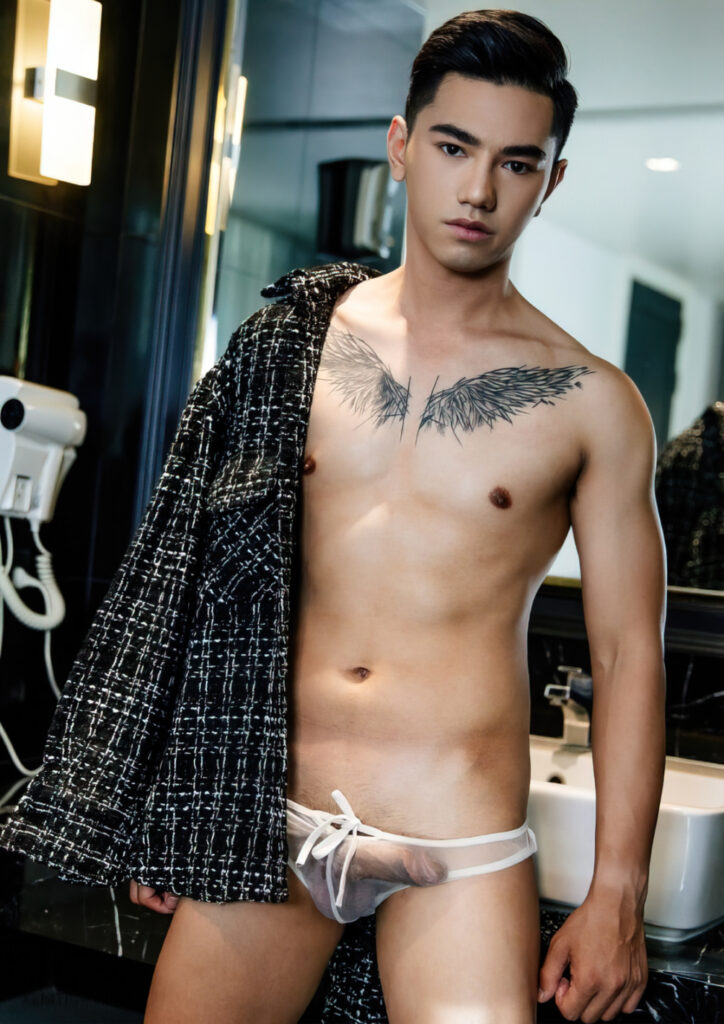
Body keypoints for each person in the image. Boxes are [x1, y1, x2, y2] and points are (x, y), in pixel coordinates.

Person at [0, 10, 666, 1024]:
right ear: (402, 146)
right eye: (453, 147)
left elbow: (625, 656)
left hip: (459, 844)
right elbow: (194, 577)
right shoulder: (289, 347)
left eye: (516, 163)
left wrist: (616, 892)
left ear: (551, 181)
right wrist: (181, 805)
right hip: (269, 822)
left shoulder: (592, 402)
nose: (478, 191)